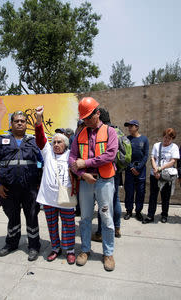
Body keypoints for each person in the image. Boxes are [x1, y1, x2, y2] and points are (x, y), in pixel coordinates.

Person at [69, 97, 118, 272]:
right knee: (85, 218)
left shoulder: (110, 132)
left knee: (106, 218)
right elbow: (72, 159)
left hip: (105, 180)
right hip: (86, 182)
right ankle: (85, 250)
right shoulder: (79, 134)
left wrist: (86, 164)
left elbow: (110, 155)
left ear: (98, 113)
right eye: (84, 118)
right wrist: (82, 174)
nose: (87, 121)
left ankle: (108, 253)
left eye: (89, 117)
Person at [0, 111, 42, 261]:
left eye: (23, 121)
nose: (20, 123)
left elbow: (43, 161)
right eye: (17, 121)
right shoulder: (1, 140)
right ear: (11, 124)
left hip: (29, 187)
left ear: (26, 124)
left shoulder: (34, 141)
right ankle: (11, 243)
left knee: (32, 217)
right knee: (12, 217)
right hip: (7, 188)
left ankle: (33, 246)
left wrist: (40, 181)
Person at [35, 106, 76, 264]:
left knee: (68, 225)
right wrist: (39, 118)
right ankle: (55, 248)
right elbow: (40, 137)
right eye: (54, 142)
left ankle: (70, 250)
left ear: (65, 144)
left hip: (66, 197)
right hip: (49, 197)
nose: (56, 144)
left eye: (59, 142)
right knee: (52, 225)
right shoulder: (47, 152)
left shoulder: (70, 155)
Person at [91, 108, 123, 242]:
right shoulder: (117, 131)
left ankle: (100, 232)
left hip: (106, 170)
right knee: (114, 200)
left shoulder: (105, 131)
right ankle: (117, 227)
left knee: (103, 203)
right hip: (117, 170)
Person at [143, 128, 180, 224]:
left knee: (165, 196)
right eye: (165, 137)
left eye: (169, 138)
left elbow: (173, 161)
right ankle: (150, 215)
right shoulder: (157, 145)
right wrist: (155, 170)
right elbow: (152, 158)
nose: (167, 139)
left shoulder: (174, 147)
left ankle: (164, 214)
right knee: (153, 195)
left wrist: (160, 169)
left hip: (166, 175)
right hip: (154, 174)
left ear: (172, 139)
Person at [123, 119, 149, 222]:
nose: (129, 128)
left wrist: (138, 168)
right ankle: (129, 211)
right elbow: (125, 155)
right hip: (129, 170)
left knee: (140, 192)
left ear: (137, 127)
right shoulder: (126, 139)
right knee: (129, 191)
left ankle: (138, 212)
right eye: (128, 126)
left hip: (141, 170)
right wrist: (131, 167)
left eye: (131, 126)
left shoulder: (144, 139)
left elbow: (146, 155)